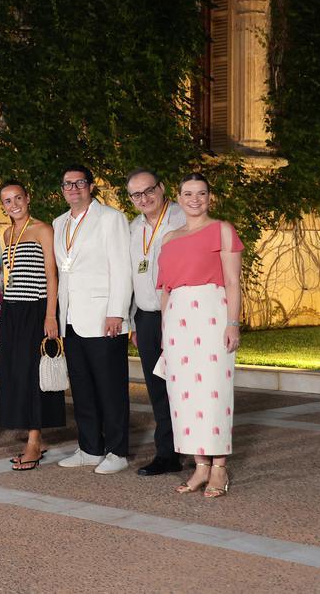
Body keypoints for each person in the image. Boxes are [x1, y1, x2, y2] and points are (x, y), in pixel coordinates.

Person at [156, 172, 243, 498]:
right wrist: (165, 334)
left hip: (211, 315)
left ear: (210, 197)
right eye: (188, 193)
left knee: (213, 391)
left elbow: (233, 282)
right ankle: (200, 465)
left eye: (201, 193)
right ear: (178, 198)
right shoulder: (168, 238)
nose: (195, 199)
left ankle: (219, 466)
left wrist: (232, 323)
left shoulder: (222, 230)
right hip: (178, 320)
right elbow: (165, 290)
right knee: (184, 396)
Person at [53, 164, 133, 474]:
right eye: (67, 184)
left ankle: (117, 451)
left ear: (91, 186)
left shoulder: (110, 218)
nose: (73, 189)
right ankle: (89, 447)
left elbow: (121, 267)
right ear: (62, 190)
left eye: (79, 183)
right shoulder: (59, 223)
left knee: (110, 387)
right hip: (71, 317)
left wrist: (117, 311)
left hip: (103, 317)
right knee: (83, 387)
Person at [0, 180, 66, 471]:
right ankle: (32, 435)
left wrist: (50, 316)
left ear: (28, 197)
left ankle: (35, 442)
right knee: (18, 375)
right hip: (12, 310)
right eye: (8, 201)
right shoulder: (8, 233)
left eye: (18, 198)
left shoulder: (42, 229)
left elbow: (52, 275)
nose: (14, 205)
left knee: (35, 376)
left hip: (35, 310)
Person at [125, 169, 186, 477]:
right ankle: (168, 453)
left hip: (181, 313)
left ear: (162, 188)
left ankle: (199, 449)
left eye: (149, 190)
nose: (144, 198)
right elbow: (133, 277)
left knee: (186, 385)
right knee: (158, 387)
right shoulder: (134, 228)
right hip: (147, 317)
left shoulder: (181, 218)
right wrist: (134, 320)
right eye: (136, 194)